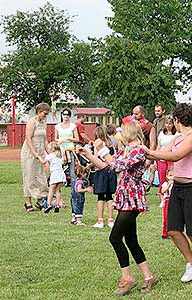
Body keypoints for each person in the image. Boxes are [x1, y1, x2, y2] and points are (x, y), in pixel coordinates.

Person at [77, 121, 157, 295]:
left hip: (132, 198)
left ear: (130, 133)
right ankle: (148, 276)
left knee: (115, 238)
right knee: (131, 240)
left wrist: (103, 150)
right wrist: (89, 154)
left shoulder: (139, 150)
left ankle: (128, 278)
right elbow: (107, 166)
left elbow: (118, 165)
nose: (119, 135)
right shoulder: (127, 149)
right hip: (125, 198)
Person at [144, 103, 192, 285]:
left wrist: (149, 151)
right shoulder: (177, 138)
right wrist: (141, 151)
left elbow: (176, 156)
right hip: (178, 187)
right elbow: (161, 154)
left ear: (176, 120)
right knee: (173, 230)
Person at [21, 102, 50, 212]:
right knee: (29, 176)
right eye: (44, 113)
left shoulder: (43, 123)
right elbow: (28, 139)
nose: (45, 115)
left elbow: (45, 140)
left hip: (41, 151)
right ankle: (28, 202)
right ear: (39, 112)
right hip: (29, 153)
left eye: (47, 114)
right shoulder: (32, 122)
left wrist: (49, 153)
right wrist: (35, 154)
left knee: (40, 176)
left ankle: (39, 200)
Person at [92, 126, 117, 229]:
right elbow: (114, 156)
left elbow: (95, 157)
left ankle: (100, 220)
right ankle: (111, 220)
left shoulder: (97, 143)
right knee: (110, 196)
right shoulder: (110, 144)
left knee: (100, 197)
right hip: (111, 171)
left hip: (101, 172)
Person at [55, 108, 79, 187]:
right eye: (64, 114)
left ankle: (74, 187)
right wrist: (59, 140)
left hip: (70, 150)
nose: (66, 116)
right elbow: (55, 138)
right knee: (58, 169)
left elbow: (77, 139)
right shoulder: (57, 126)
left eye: (67, 115)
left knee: (72, 170)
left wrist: (68, 139)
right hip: (61, 150)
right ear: (61, 115)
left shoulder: (73, 126)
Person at [41, 142, 66, 213]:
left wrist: (38, 157)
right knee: (58, 190)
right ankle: (57, 205)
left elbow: (43, 161)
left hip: (54, 174)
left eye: (49, 148)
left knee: (51, 190)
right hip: (61, 174)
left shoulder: (51, 155)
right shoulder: (60, 156)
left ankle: (48, 205)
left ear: (52, 149)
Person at [156, 116, 176, 206]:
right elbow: (159, 146)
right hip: (161, 159)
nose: (168, 125)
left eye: (170, 123)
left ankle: (171, 195)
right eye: (167, 123)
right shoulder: (161, 134)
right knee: (162, 177)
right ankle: (162, 198)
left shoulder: (176, 134)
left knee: (171, 176)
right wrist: (156, 157)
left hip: (171, 158)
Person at [160, 166, 174, 239]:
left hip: (175, 201)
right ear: (167, 176)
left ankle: (174, 232)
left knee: (174, 218)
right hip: (167, 201)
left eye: (173, 175)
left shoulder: (177, 184)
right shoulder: (165, 184)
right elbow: (162, 191)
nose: (172, 177)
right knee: (166, 218)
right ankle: (165, 233)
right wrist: (169, 185)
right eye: (170, 175)